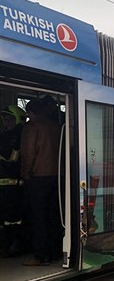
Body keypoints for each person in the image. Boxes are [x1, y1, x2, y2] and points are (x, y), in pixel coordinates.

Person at [20, 99, 62, 266]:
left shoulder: (31, 127)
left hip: (38, 177)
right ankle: (55, 252)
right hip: (56, 176)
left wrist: (25, 174)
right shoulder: (56, 127)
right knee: (53, 216)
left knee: (38, 217)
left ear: (30, 112)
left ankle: (40, 255)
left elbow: (28, 153)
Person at [0, 106, 27, 257]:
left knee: (14, 219)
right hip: (5, 185)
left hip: (13, 186)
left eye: (10, 118)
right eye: (4, 118)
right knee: (6, 219)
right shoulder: (7, 135)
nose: (6, 121)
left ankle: (15, 245)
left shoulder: (18, 135)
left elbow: (12, 157)